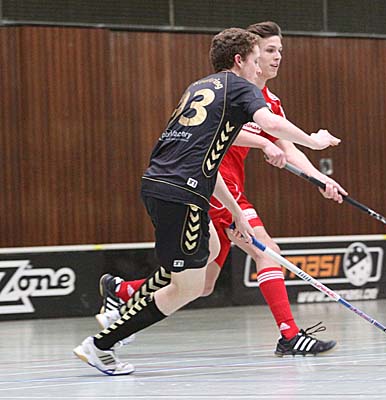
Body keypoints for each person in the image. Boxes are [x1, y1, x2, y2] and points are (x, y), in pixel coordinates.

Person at [73, 27, 341, 376]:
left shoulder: (200, 87)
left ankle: (121, 295)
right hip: (181, 194)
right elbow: (269, 124)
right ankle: (102, 343)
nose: (260, 66)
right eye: (257, 59)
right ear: (240, 60)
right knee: (188, 288)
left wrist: (236, 212)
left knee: (208, 254)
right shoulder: (241, 88)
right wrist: (313, 141)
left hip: (169, 186)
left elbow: (207, 163)